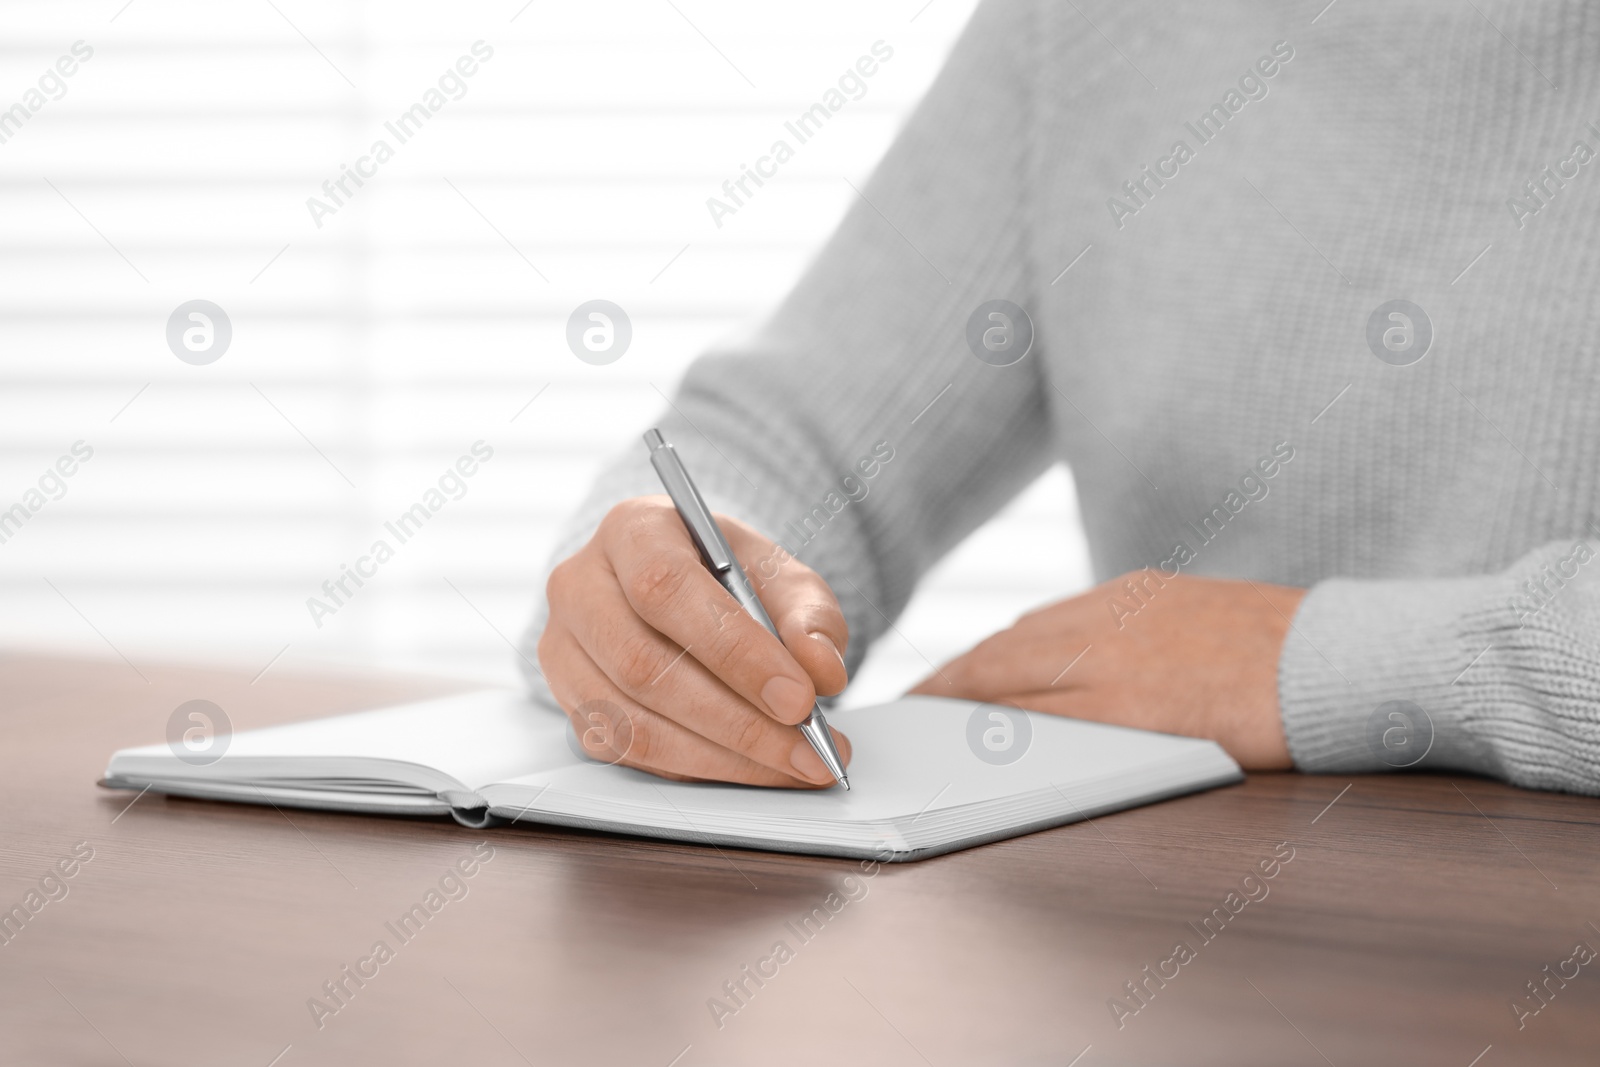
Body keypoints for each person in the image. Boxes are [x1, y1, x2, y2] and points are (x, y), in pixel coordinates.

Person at [523, 0, 1600, 794]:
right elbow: (794, 438)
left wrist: (1318, 664)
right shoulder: (1089, 26)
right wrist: (668, 592)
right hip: (1183, 948)